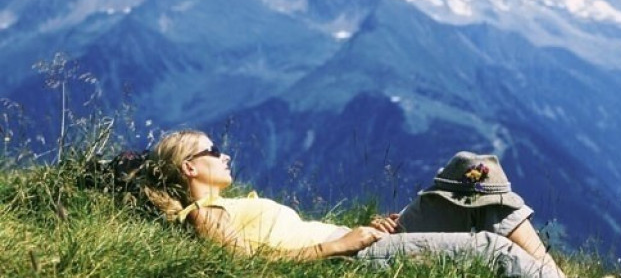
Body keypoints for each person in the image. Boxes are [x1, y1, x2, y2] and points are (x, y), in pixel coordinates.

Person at [138, 130, 563, 277]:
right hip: (352, 258)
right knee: (493, 250)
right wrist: (341, 245)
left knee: (474, 175)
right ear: (190, 168)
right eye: (213, 151)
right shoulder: (204, 214)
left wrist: (362, 231)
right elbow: (249, 265)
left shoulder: (230, 205)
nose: (224, 154)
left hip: (364, 241)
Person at [369, 152, 565, 276]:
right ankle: (552, 272)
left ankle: (551, 272)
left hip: (392, 243)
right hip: (381, 250)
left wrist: (375, 232)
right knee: (495, 225)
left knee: (493, 214)